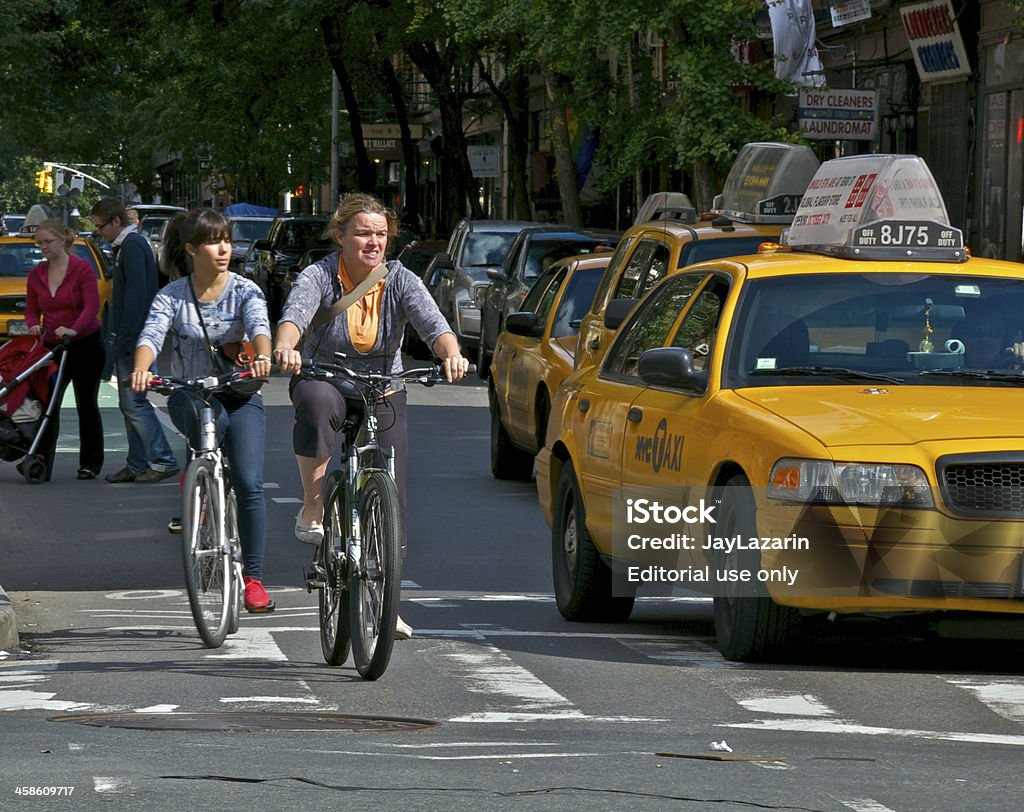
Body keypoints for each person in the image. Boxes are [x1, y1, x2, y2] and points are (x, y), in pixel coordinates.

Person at [273, 192, 469, 639]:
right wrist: (286, 345)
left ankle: (386, 606)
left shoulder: (400, 279)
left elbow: (433, 324)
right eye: (362, 233)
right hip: (324, 375)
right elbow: (295, 315)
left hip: (382, 385)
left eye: (380, 234)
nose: (373, 242)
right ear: (340, 235)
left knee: (392, 492)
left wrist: (451, 355)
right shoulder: (319, 275)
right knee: (318, 405)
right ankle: (314, 506)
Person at [130, 209, 274, 613]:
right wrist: (142, 369)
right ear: (192, 249)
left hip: (238, 392)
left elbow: (260, 326)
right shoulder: (172, 295)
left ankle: (254, 580)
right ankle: (201, 489)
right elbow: (151, 334)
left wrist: (263, 357)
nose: (224, 248)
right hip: (188, 393)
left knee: (249, 482)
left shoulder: (245, 290)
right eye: (213, 241)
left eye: (227, 238)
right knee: (210, 426)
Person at [90, 198, 179, 483]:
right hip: (133, 337)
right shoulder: (129, 246)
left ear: (116, 222)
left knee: (134, 403)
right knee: (130, 404)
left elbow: (137, 297)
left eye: (101, 226)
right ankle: (137, 463)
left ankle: (163, 459)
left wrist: (125, 339)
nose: (99, 232)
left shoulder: (132, 246)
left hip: (135, 338)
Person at [22, 219, 105, 480]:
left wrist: (74, 330)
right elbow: (32, 308)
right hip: (53, 347)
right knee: (49, 405)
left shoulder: (81, 269)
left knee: (86, 404)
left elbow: (91, 307)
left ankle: (90, 463)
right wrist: (34, 325)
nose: (43, 247)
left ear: (61, 241)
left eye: (47, 242)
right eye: (40, 243)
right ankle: (41, 460)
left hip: (85, 344)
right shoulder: (37, 273)